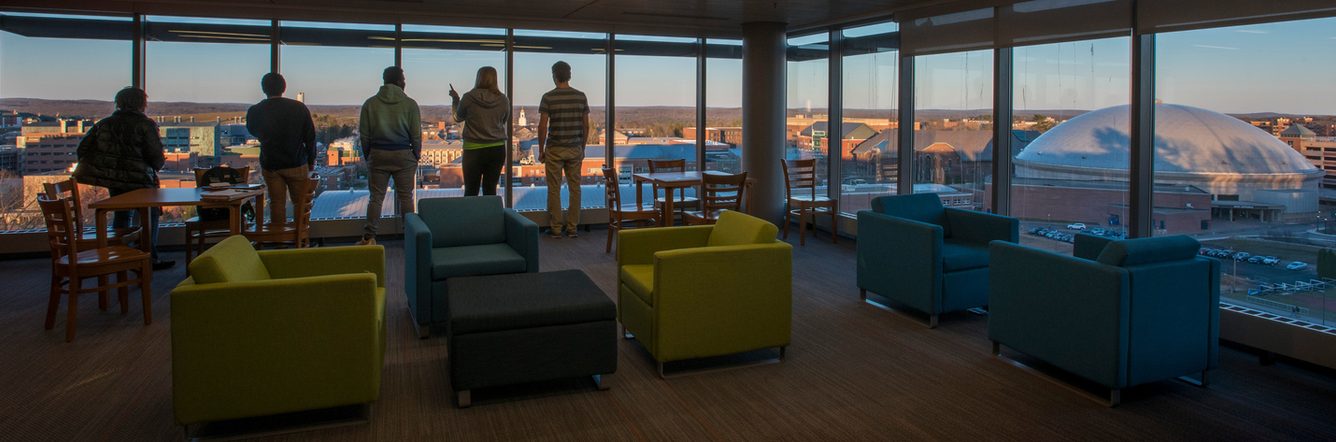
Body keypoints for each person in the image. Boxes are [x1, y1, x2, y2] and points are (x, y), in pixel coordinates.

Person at [73, 87, 173, 270]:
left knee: (121, 216)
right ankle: (149, 258)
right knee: (149, 217)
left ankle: (121, 257)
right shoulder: (145, 125)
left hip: (115, 181)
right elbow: (155, 157)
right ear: (141, 103)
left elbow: (83, 150)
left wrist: (106, 168)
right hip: (141, 182)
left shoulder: (104, 124)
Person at [357, 66, 422, 246]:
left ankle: (369, 237)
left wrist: (369, 155)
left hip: (378, 154)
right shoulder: (410, 104)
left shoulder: (370, 104)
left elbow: (364, 135)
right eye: (404, 78)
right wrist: (416, 155)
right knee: (406, 197)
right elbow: (415, 135)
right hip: (403, 155)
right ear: (400, 81)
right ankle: (409, 237)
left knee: (376, 198)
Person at [246, 72, 316, 227]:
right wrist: (311, 161)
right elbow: (310, 137)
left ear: (264, 89)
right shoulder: (298, 108)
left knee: (276, 203)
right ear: (284, 88)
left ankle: (279, 241)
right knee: (300, 203)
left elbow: (253, 130)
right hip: (296, 162)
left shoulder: (255, 111)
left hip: (271, 164)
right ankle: (300, 238)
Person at [537, 61, 591, 239]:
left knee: (554, 188)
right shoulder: (581, 96)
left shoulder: (548, 97)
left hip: (554, 148)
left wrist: (541, 150)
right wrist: (582, 148)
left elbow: (542, 126)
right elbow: (586, 126)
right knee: (575, 188)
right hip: (574, 148)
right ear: (569, 75)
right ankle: (573, 228)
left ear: (554, 75)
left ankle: (556, 228)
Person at [450, 66, 510, 196]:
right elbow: (503, 120)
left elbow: (457, 118)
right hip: (497, 149)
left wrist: (455, 100)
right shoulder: (503, 100)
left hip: (473, 149)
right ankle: (489, 216)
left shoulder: (468, 98)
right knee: (491, 189)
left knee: (471, 190)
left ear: (478, 78)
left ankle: (471, 216)